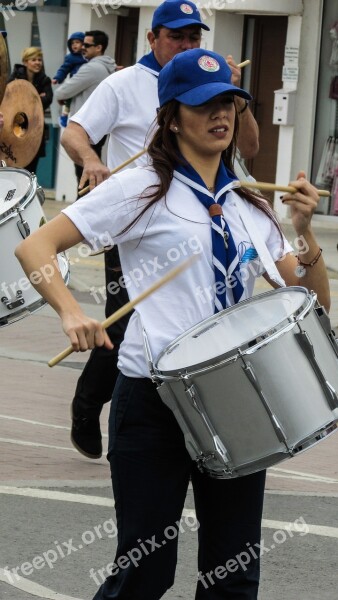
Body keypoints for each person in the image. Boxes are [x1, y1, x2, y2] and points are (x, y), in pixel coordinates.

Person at [15, 47, 330, 600]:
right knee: (146, 571)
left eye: (230, 103)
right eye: (204, 104)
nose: (222, 116)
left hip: (238, 402)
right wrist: (71, 312)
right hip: (154, 400)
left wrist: (303, 234)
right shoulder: (141, 186)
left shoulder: (248, 204)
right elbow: (36, 246)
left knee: (234, 577)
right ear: (171, 116)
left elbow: (308, 299)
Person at [61, 0, 261, 460]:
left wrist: (232, 91)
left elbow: (249, 147)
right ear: (153, 39)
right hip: (139, 221)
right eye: (177, 37)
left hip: (210, 213)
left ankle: (200, 423)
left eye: (195, 37)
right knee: (130, 319)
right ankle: (92, 404)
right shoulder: (124, 83)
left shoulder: (217, 82)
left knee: (214, 316)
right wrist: (92, 161)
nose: (187, 45)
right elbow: (76, 132)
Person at [54, 30, 116, 184]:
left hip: (85, 131)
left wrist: (67, 95)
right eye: (82, 44)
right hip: (97, 130)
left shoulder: (92, 68)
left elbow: (61, 92)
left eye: (87, 45)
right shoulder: (109, 67)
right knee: (90, 179)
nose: (82, 48)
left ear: (99, 48)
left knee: (85, 180)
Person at [8, 47, 53, 174]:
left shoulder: (45, 79)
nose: (38, 62)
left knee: (30, 171)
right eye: (34, 59)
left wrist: (24, 99)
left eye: (39, 59)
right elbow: (8, 100)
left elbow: (48, 100)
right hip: (13, 130)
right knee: (13, 168)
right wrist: (36, 98)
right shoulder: (15, 78)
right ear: (25, 62)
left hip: (35, 131)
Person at [52, 31, 87, 128]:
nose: (74, 45)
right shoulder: (70, 58)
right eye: (72, 43)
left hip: (85, 83)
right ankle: (64, 116)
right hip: (74, 82)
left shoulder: (87, 57)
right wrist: (57, 78)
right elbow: (64, 69)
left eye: (77, 42)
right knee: (68, 100)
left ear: (84, 44)